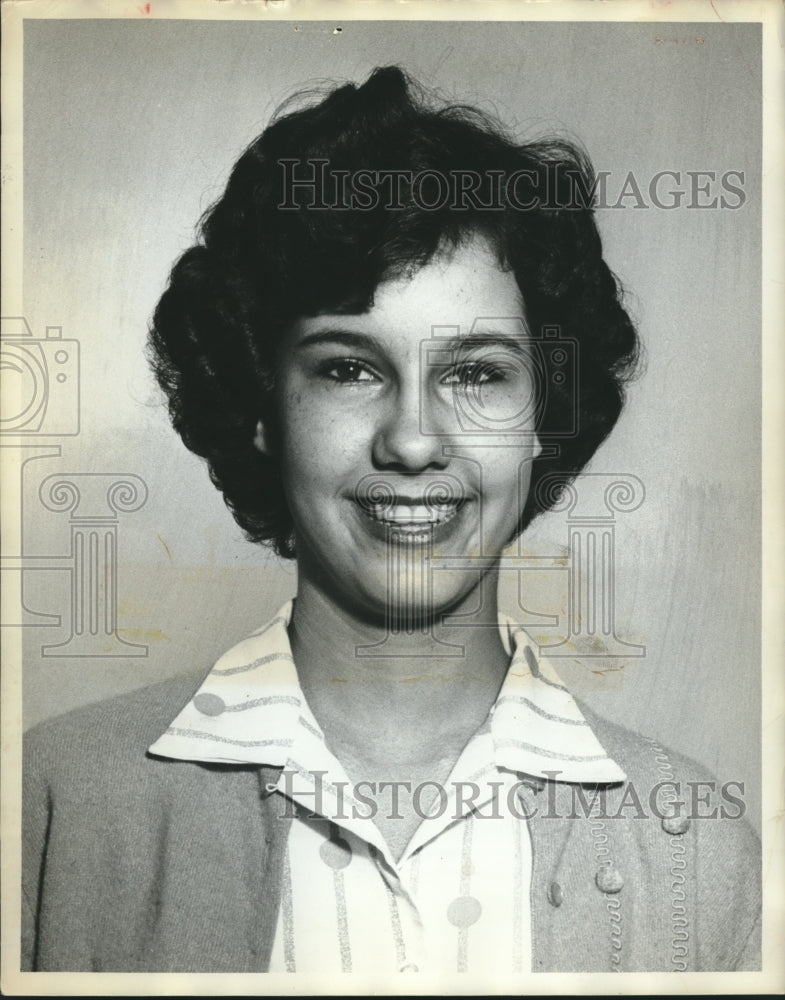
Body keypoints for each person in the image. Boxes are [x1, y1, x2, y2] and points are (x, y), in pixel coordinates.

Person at [22, 65, 760, 974]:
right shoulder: (49, 804)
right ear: (263, 406)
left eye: (477, 373)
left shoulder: (697, 845)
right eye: (348, 369)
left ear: (543, 416)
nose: (413, 441)